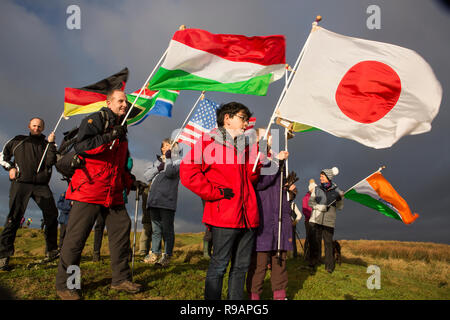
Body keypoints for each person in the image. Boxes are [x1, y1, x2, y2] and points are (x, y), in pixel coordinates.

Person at [55, 89, 143, 300]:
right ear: (109, 102)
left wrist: (130, 182)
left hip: (113, 193)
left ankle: (120, 280)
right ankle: (68, 285)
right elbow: (83, 147)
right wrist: (110, 135)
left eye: (126, 101)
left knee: (122, 232)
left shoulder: (123, 128)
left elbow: (120, 165)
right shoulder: (95, 120)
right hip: (89, 189)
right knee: (76, 240)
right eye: (120, 101)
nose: (124, 104)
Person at [180, 102, 261, 300]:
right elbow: (188, 172)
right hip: (224, 215)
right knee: (219, 266)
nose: (246, 124)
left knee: (241, 267)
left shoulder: (246, 145)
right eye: (243, 118)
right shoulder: (207, 142)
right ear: (228, 118)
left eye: (247, 120)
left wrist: (256, 158)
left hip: (248, 216)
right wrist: (214, 192)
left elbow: (252, 177)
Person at [0, 117, 59, 271]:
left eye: (39, 126)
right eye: (34, 125)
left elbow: (51, 161)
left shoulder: (48, 144)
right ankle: (3, 256)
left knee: (52, 215)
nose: (36, 128)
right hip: (21, 183)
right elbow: (3, 156)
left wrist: (52, 143)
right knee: (14, 217)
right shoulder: (18, 140)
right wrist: (10, 168)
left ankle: (51, 251)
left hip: (41, 185)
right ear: (29, 126)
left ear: (43, 128)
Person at [246, 128, 296, 300]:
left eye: (269, 136)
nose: (268, 138)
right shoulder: (254, 158)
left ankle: (280, 296)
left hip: (280, 217)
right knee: (259, 263)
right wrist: (277, 161)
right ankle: (254, 297)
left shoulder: (274, 157)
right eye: (264, 136)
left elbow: (278, 186)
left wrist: (290, 191)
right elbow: (260, 182)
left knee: (279, 261)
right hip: (263, 217)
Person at [143, 139, 181, 267]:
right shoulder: (156, 162)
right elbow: (147, 176)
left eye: (169, 145)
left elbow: (170, 173)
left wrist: (169, 159)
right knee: (156, 230)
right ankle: (155, 253)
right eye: (164, 146)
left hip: (167, 202)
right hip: (154, 201)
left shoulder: (178, 161)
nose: (166, 147)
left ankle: (167, 255)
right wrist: (158, 168)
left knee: (167, 230)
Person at [308, 167, 344, 273]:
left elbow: (340, 207)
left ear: (328, 177)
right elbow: (311, 203)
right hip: (316, 219)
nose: (320, 178)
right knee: (314, 242)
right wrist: (320, 207)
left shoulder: (337, 191)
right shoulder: (317, 189)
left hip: (329, 222)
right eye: (320, 176)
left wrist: (340, 200)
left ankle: (329, 266)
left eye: (322, 176)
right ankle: (312, 264)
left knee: (328, 243)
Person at [138, 183, 152, 256]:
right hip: (148, 216)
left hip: (149, 216)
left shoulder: (147, 188)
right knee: (146, 234)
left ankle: (145, 251)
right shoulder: (147, 188)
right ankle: (143, 251)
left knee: (148, 234)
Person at [302, 185, 313, 264]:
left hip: (314, 221)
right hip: (308, 220)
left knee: (313, 239)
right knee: (308, 238)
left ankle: (312, 256)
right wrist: (311, 216)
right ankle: (306, 255)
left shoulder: (315, 197)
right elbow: (305, 210)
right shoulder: (306, 198)